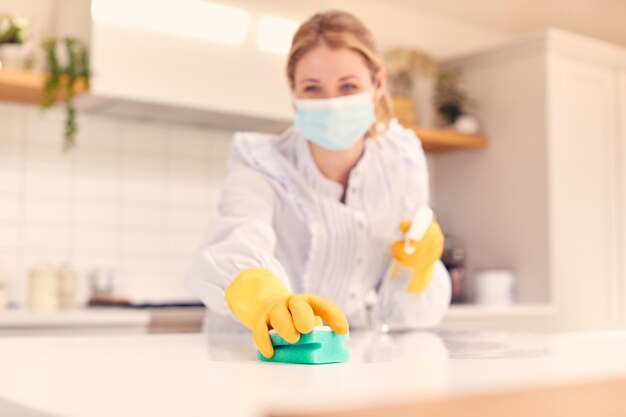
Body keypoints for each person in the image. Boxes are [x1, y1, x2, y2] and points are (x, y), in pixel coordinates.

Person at [186, 10, 451, 359]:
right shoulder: (260, 159)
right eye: (313, 88)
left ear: (378, 84)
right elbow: (239, 235)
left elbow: (398, 313)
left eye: (348, 86)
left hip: (343, 350)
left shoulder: (401, 159)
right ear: (293, 91)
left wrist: (418, 269)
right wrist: (265, 298)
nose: (332, 103)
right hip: (253, 349)